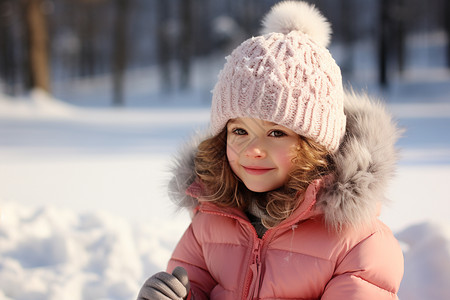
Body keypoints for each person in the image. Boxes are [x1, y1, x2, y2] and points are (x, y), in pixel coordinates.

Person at [137, 1, 404, 299]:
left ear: (316, 145)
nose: (253, 150)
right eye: (239, 131)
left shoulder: (357, 242)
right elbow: (197, 287)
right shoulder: (211, 220)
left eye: (276, 133)